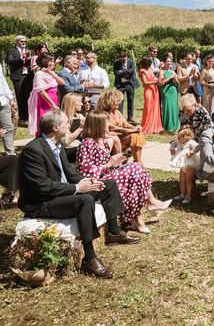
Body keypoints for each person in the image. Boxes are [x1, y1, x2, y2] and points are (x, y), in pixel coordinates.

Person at [19, 110, 140, 278]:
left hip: (60, 193)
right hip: (42, 202)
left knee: (108, 185)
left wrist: (89, 182)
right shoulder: (33, 151)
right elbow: (43, 187)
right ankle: (89, 258)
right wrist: (77, 188)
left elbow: (70, 173)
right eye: (67, 123)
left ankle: (113, 232)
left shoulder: (56, 145)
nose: (70, 125)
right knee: (84, 200)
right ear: (55, 127)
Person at [77, 110, 171, 234]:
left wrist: (116, 163)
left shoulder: (102, 141)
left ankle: (140, 214)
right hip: (97, 184)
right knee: (135, 169)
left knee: (137, 168)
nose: (109, 124)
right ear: (98, 125)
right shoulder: (87, 143)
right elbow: (86, 174)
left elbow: (108, 165)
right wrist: (109, 164)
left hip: (107, 177)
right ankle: (144, 211)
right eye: (106, 122)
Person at [97, 89, 146, 163]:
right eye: (118, 101)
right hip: (112, 139)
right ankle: (138, 162)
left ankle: (138, 161)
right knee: (134, 136)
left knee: (138, 134)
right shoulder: (103, 114)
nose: (120, 103)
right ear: (111, 101)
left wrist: (136, 128)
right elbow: (118, 129)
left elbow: (125, 124)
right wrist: (133, 130)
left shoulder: (117, 112)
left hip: (121, 137)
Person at [28, 54, 64, 136]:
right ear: (45, 62)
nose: (53, 63)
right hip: (45, 102)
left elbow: (62, 82)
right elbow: (41, 91)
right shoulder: (39, 74)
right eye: (51, 61)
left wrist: (52, 74)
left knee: (54, 121)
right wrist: (52, 103)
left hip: (54, 98)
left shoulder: (51, 73)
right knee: (45, 121)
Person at [170, 128, 200, 204]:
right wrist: (172, 149)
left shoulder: (191, 142)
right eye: (178, 137)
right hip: (183, 163)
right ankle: (182, 194)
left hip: (191, 164)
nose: (178, 139)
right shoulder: (179, 142)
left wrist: (191, 153)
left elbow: (198, 147)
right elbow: (173, 144)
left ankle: (188, 196)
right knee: (182, 179)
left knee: (188, 180)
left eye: (180, 137)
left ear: (185, 137)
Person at [6, 35, 31, 121]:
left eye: (25, 41)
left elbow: (34, 62)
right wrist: (21, 58)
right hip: (18, 76)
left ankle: (29, 116)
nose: (23, 43)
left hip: (28, 76)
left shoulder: (29, 50)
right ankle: (22, 117)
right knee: (20, 96)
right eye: (21, 41)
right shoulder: (12, 51)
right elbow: (9, 61)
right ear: (17, 42)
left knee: (28, 96)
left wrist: (29, 58)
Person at [139, 57, 163, 135]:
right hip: (148, 91)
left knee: (155, 108)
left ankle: (155, 126)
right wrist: (155, 82)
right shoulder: (142, 71)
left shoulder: (150, 69)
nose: (150, 65)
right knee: (149, 108)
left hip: (154, 90)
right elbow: (145, 83)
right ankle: (147, 126)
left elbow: (154, 77)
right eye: (149, 64)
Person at [113, 51, 139, 123]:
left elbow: (132, 71)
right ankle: (120, 117)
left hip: (130, 84)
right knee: (119, 101)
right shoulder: (116, 63)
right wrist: (126, 72)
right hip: (120, 84)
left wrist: (122, 72)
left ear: (126, 57)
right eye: (121, 59)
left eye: (123, 59)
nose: (122, 60)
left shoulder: (131, 62)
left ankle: (130, 117)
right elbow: (116, 73)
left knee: (131, 100)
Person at [159, 55, 180, 132]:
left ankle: (174, 124)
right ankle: (167, 125)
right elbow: (161, 82)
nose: (169, 63)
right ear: (164, 63)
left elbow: (177, 83)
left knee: (174, 107)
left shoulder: (172, 71)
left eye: (170, 62)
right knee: (167, 106)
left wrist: (175, 79)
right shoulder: (161, 71)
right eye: (167, 61)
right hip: (166, 91)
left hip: (173, 90)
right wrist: (171, 77)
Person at [0, 61, 17, 155]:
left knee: (8, 128)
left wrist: (10, 98)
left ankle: (10, 154)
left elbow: (2, 81)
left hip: (2, 101)